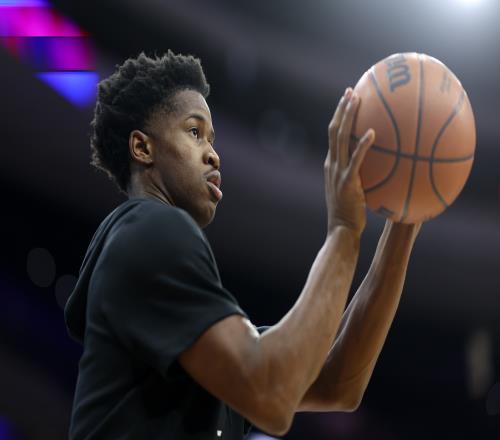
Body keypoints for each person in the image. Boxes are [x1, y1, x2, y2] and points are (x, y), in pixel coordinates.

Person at [64, 51, 421, 440]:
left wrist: (404, 222)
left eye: (212, 139)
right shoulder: (150, 228)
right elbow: (271, 394)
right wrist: (344, 231)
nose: (213, 154)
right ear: (142, 148)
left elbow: (339, 383)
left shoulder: (196, 337)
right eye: (194, 132)